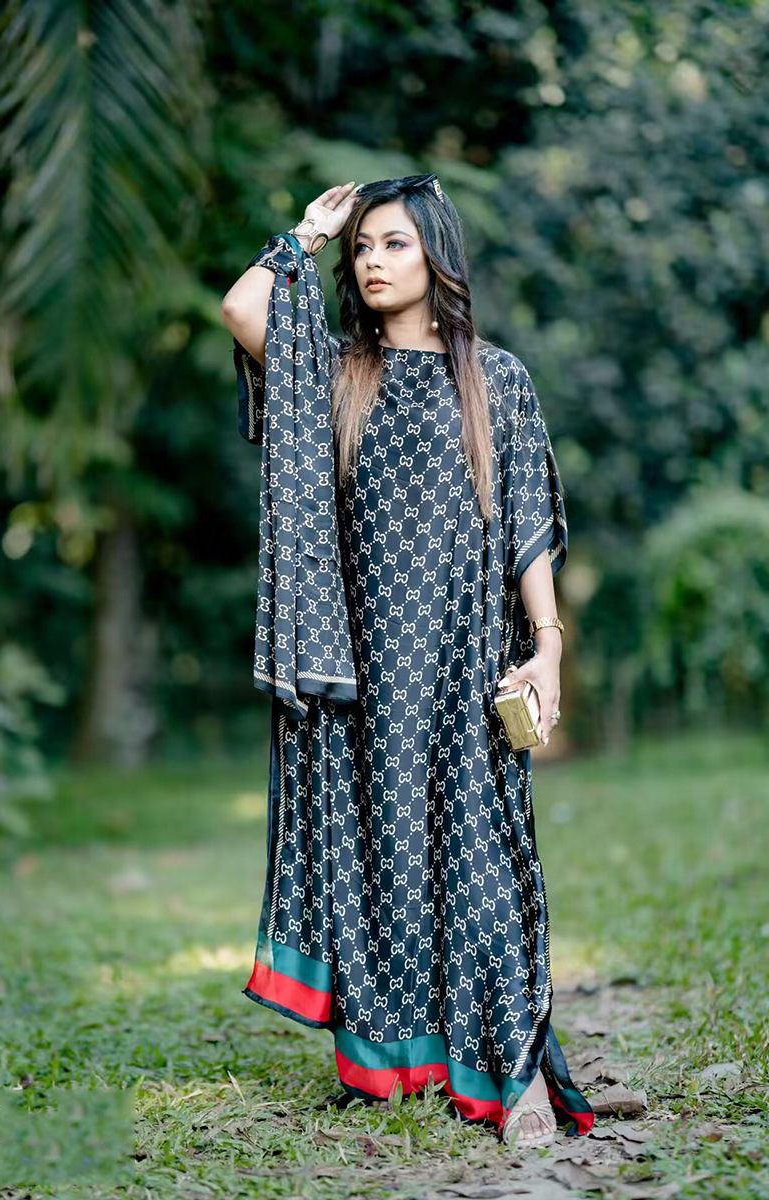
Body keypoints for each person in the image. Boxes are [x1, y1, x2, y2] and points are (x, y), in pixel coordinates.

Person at [221, 175, 595, 1148]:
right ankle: (396, 1062)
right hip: (362, 671)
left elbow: (527, 524)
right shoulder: (336, 374)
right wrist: (309, 233)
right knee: (381, 857)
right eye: (363, 249)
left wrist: (546, 646)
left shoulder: (495, 380)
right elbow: (243, 310)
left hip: (468, 662)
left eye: (393, 243)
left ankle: (513, 1071)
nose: (373, 262)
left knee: (484, 855)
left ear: (437, 254)